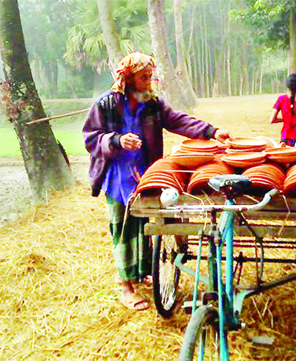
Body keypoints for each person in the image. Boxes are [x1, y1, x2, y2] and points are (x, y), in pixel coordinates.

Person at [83, 52, 230, 311]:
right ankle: (124, 286)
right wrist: (117, 140)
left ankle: (141, 272)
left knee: (144, 223)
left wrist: (211, 131)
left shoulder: (151, 102)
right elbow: (91, 138)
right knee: (124, 227)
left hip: (145, 170)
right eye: (143, 77)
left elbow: (177, 120)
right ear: (127, 78)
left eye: (150, 76)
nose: (148, 81)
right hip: (118, 173)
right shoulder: (105, 105)